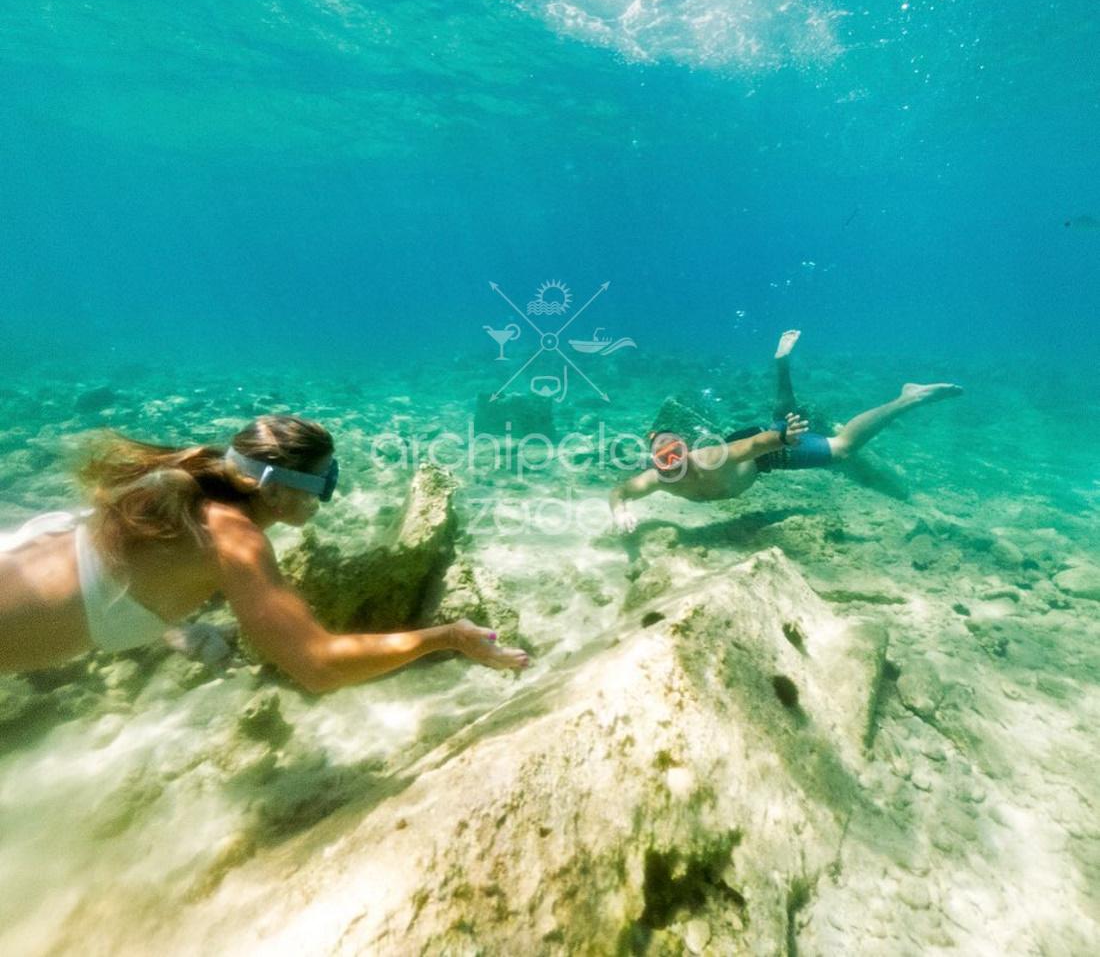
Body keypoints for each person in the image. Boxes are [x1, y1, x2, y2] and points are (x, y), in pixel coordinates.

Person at [0, 414, 530, 687]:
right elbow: (318, 666)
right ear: (275, 489)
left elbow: (134, 570)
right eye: (325, 482)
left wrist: (176, 627)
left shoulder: (190, 487)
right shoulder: (238, 540)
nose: (330, 495)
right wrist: (448, 638)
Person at [610, 330, 963, 532]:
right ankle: (782, 364)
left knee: (842, 448)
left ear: (687, 449)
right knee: (784, 416)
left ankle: (907, 398)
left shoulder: (711, 458)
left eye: (675, 453)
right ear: (655, 462)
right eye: (663, 458)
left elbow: (753, 444)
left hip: (765, 453)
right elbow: (620, 491)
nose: (671, 462)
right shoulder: (657, 480)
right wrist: (619, 511)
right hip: (753, 448)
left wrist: (781, 439)